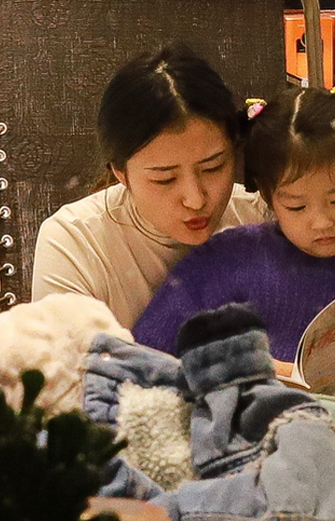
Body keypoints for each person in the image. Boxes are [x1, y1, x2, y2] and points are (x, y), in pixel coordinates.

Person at [132, 88, 335, 363]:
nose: (321, 222)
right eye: (296, 207)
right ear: (268, 196)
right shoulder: (226, 263)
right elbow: (144, 358)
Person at [30, 41, 266, 330]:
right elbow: (69, 357)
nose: (195, 199)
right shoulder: (77, 242)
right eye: (164, 179)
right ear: (120, 172)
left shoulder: (264, 217)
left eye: (213, 167)